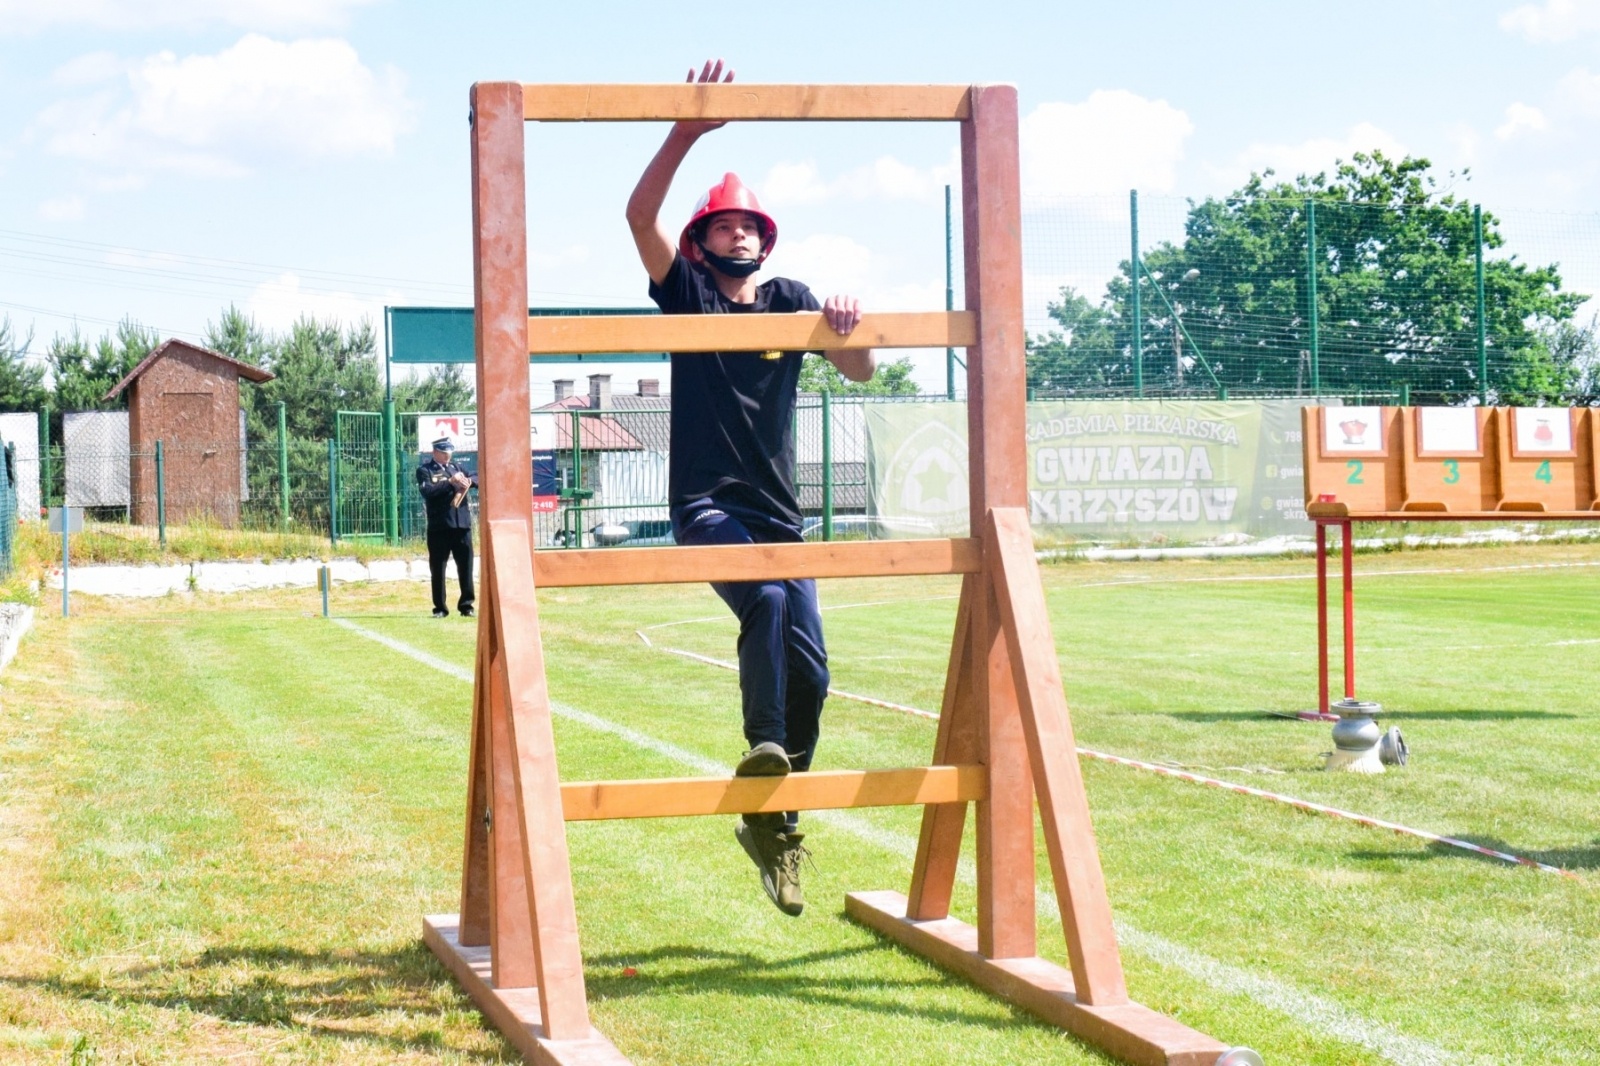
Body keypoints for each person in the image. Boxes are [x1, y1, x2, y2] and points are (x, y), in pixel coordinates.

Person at [625, 59, 877, 917]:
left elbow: (863, 368)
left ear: (765, 238)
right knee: (766, 598)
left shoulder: (791, 298)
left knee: (814, 676)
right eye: (722, 225)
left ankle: (775, 822)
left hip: (781, 513)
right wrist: (686, 133)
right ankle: (762, 746)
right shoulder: (687, 290)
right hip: (709, 506)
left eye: (747, 225)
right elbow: (637, 216)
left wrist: (848, 321)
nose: (737, 235)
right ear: (701, 241)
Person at [417, 436, 477, 619]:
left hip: (462, 525)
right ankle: (440, 608)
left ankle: (467, 606)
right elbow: (428, 491)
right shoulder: (425, 470)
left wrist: (469, 481)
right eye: (444, 453)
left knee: (466, 566)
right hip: (440, 527)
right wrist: (450, 482)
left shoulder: (456, 467)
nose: (447, 456)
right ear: (435, 452)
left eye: (449, 453)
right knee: (438, 568)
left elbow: (477, 476)